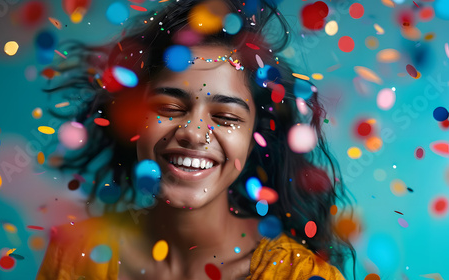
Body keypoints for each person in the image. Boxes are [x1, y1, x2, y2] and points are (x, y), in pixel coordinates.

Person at [37, 0, 356, 279]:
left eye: (226, 117)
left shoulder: (302, 277)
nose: (192, 132)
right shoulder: (76, 252)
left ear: (256, 137)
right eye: (169, 107)